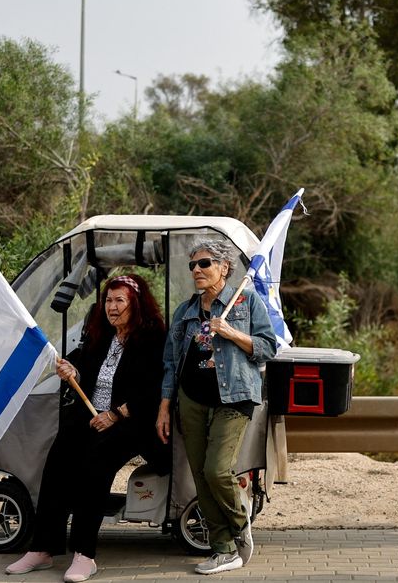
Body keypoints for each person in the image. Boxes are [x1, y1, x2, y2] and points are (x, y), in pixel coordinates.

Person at [5, 274, 167, 582]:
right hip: (92, 417)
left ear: (136, 304)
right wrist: (72, 370)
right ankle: (43, 548)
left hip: (132, 421)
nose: (112, 307)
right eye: (108, 300)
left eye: (120, 300)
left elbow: (153, 390)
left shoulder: (152, 338)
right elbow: (82, 366)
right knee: (58, 457)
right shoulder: (100, 334)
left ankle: (84, 554)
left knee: (95, 465)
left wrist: (116, 415)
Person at [157, 239, 276, 575]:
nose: (197, 270)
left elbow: (268, 348)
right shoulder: (185, 312)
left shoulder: (246, 302)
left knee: (216, 470)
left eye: (205, 263)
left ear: (224, 268)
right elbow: (170, 362)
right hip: (191, 400)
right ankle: (223, 550)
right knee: (199, 476)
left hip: (234, 398)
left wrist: (231, 332)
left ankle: (240, 524)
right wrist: (165, 407)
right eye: (193, 265)